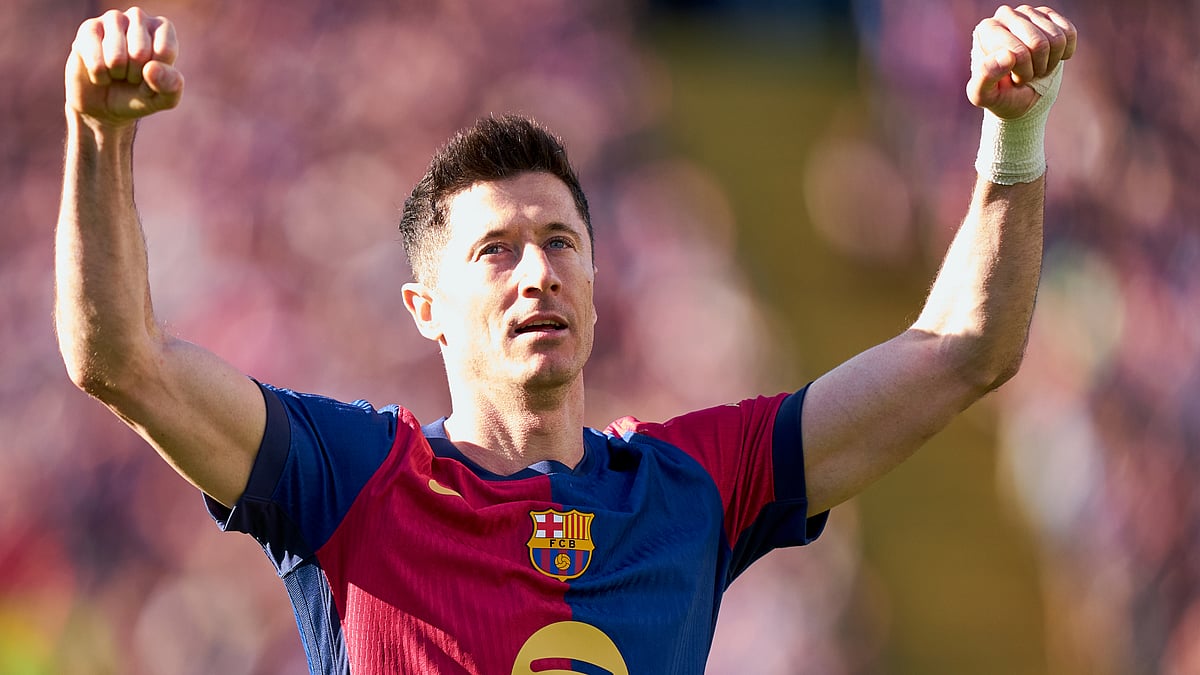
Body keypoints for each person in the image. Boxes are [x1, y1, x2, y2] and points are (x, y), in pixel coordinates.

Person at [55, 4, 1077, 673]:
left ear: (595, 280)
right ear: (426, 309)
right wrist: (98, 136)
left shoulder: (692, 485)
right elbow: (120, 359)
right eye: (495, 251)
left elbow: (966, 345)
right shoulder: (348, 477)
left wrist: (1014, 133)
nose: (538, 270)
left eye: (560, 242)